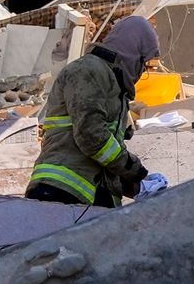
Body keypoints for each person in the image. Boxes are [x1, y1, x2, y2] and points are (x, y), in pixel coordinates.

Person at [27, 12, 162, 206]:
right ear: (133, 54)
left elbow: (106, 158)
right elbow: (92, 137)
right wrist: (136, 171)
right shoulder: (89, 70)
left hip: (88, 197)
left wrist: (138, 186)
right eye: (142, 62)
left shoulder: (114, 86)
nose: (141, 71)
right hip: (61, 190)